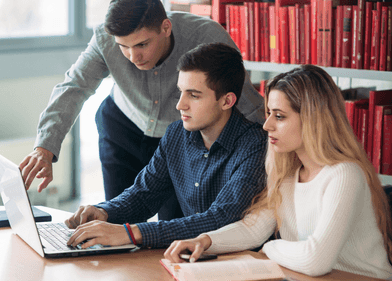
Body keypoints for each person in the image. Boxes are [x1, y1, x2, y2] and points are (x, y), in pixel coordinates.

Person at [18, 0, 265, 221]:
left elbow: (242, 99)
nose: (133, 56)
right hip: (122, 127)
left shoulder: (206, 37)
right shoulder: (105, 39)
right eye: (123, 47)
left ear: (165, 28)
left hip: (178, 138)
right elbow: (74, 86)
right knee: (114, 216)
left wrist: (270, 152)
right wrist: (45, 147)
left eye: (142, 44)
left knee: (172, 224)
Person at [163, 65, 392, 280]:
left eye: (279, 116)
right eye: (269, 113)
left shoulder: (344, 174)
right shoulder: (289, 173)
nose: (267, 125)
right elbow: (254, 229)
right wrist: (204, 241)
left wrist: (270, 247)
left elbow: (315, 261)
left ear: (313, 120)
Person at [64, 42, 267, 250]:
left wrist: (131, 233)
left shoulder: (256, 145)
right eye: (181, 92)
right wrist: (104, 212)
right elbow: (144, 194)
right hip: (190, 259)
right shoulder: (176, 134)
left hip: (239, 263)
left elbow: (220, 219)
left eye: (194, 95)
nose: (180, 105)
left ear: (227, 101)